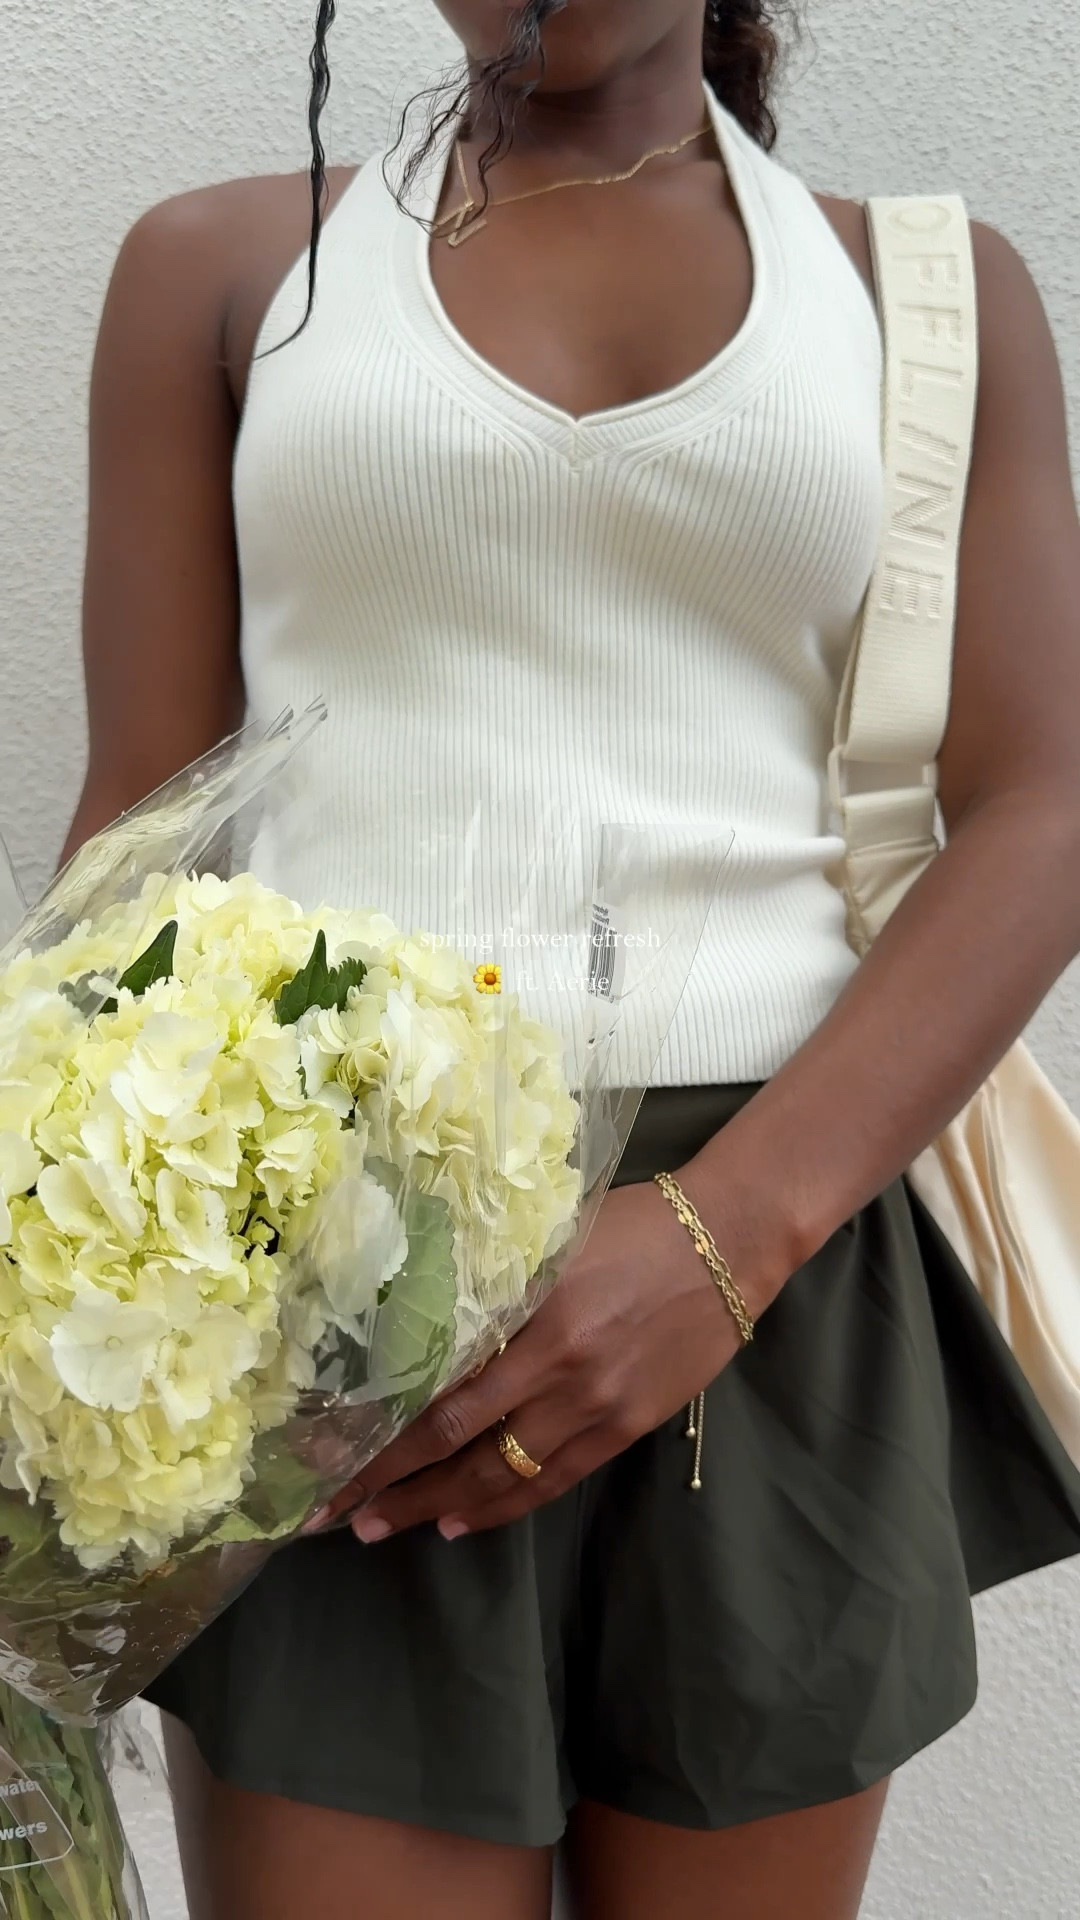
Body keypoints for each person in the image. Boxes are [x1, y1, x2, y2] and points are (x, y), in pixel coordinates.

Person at [65, 2, 1080, 1915]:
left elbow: (1044, 805)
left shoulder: (923, 291)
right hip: (323, 1308)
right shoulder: (225, 275)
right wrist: (54, 1323)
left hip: (781, 1266)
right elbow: (148, 822)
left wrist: (726, 1240)